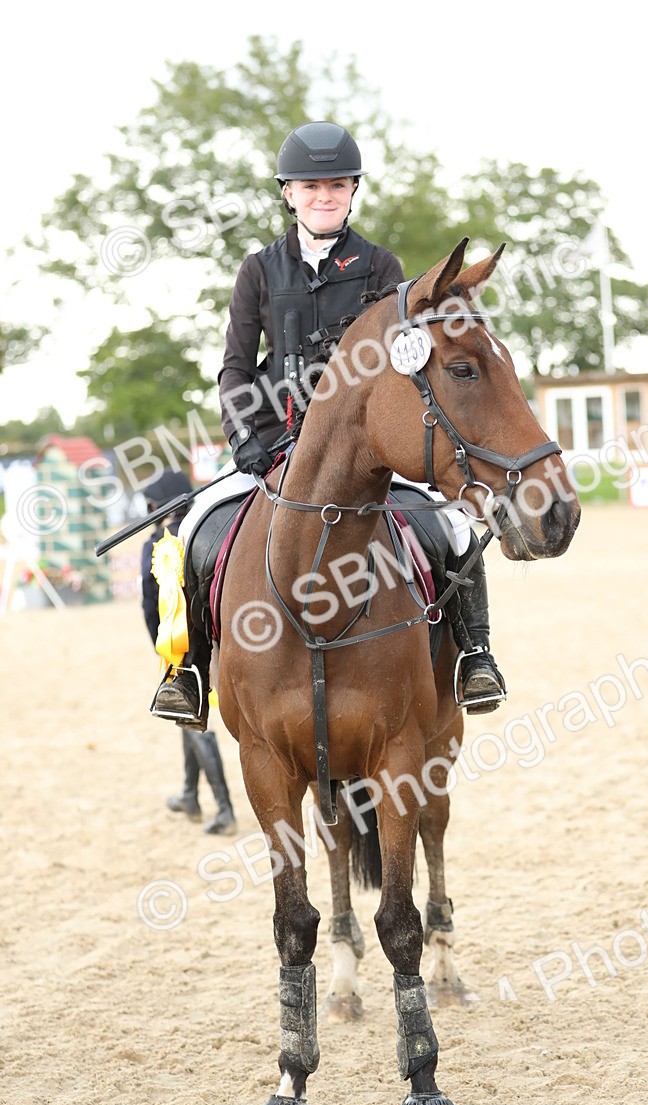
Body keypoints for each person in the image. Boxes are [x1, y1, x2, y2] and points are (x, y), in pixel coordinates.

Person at [151, 120, 505, 728]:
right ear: (288, 192)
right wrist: (245, 442)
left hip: (364, 455)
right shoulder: (259, 271)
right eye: (311, 187)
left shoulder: (379, 266)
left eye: (336, 186)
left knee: (450, 527)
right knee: (191, 538)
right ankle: (189, 673)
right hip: (270, 448)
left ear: (352, 192)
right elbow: (234, 370)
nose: (323, 196)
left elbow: (404, 360)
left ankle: (476, 653)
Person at [141, 470, 236, 835]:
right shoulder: (213, 529)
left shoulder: (157, 544)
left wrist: (162, 648)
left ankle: (225, 809)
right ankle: (190, 794)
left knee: (193, 715)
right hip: (221, 637)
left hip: (182, 646)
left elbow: (150, 607)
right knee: (185, 717)